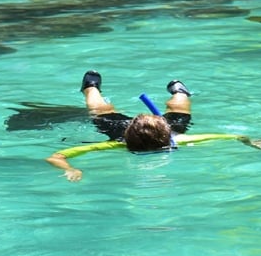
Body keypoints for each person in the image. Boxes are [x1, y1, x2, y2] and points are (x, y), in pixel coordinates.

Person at [46, 71, 194, 181]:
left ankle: (91, 88)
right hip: (168, 133)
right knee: (179, 111)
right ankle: (180, 92)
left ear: (127, 134)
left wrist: (70, 169)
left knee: (101, 111)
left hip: (132, 129)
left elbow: (56, 157)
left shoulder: (118, 143)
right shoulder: (181, 139)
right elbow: (217, 137)